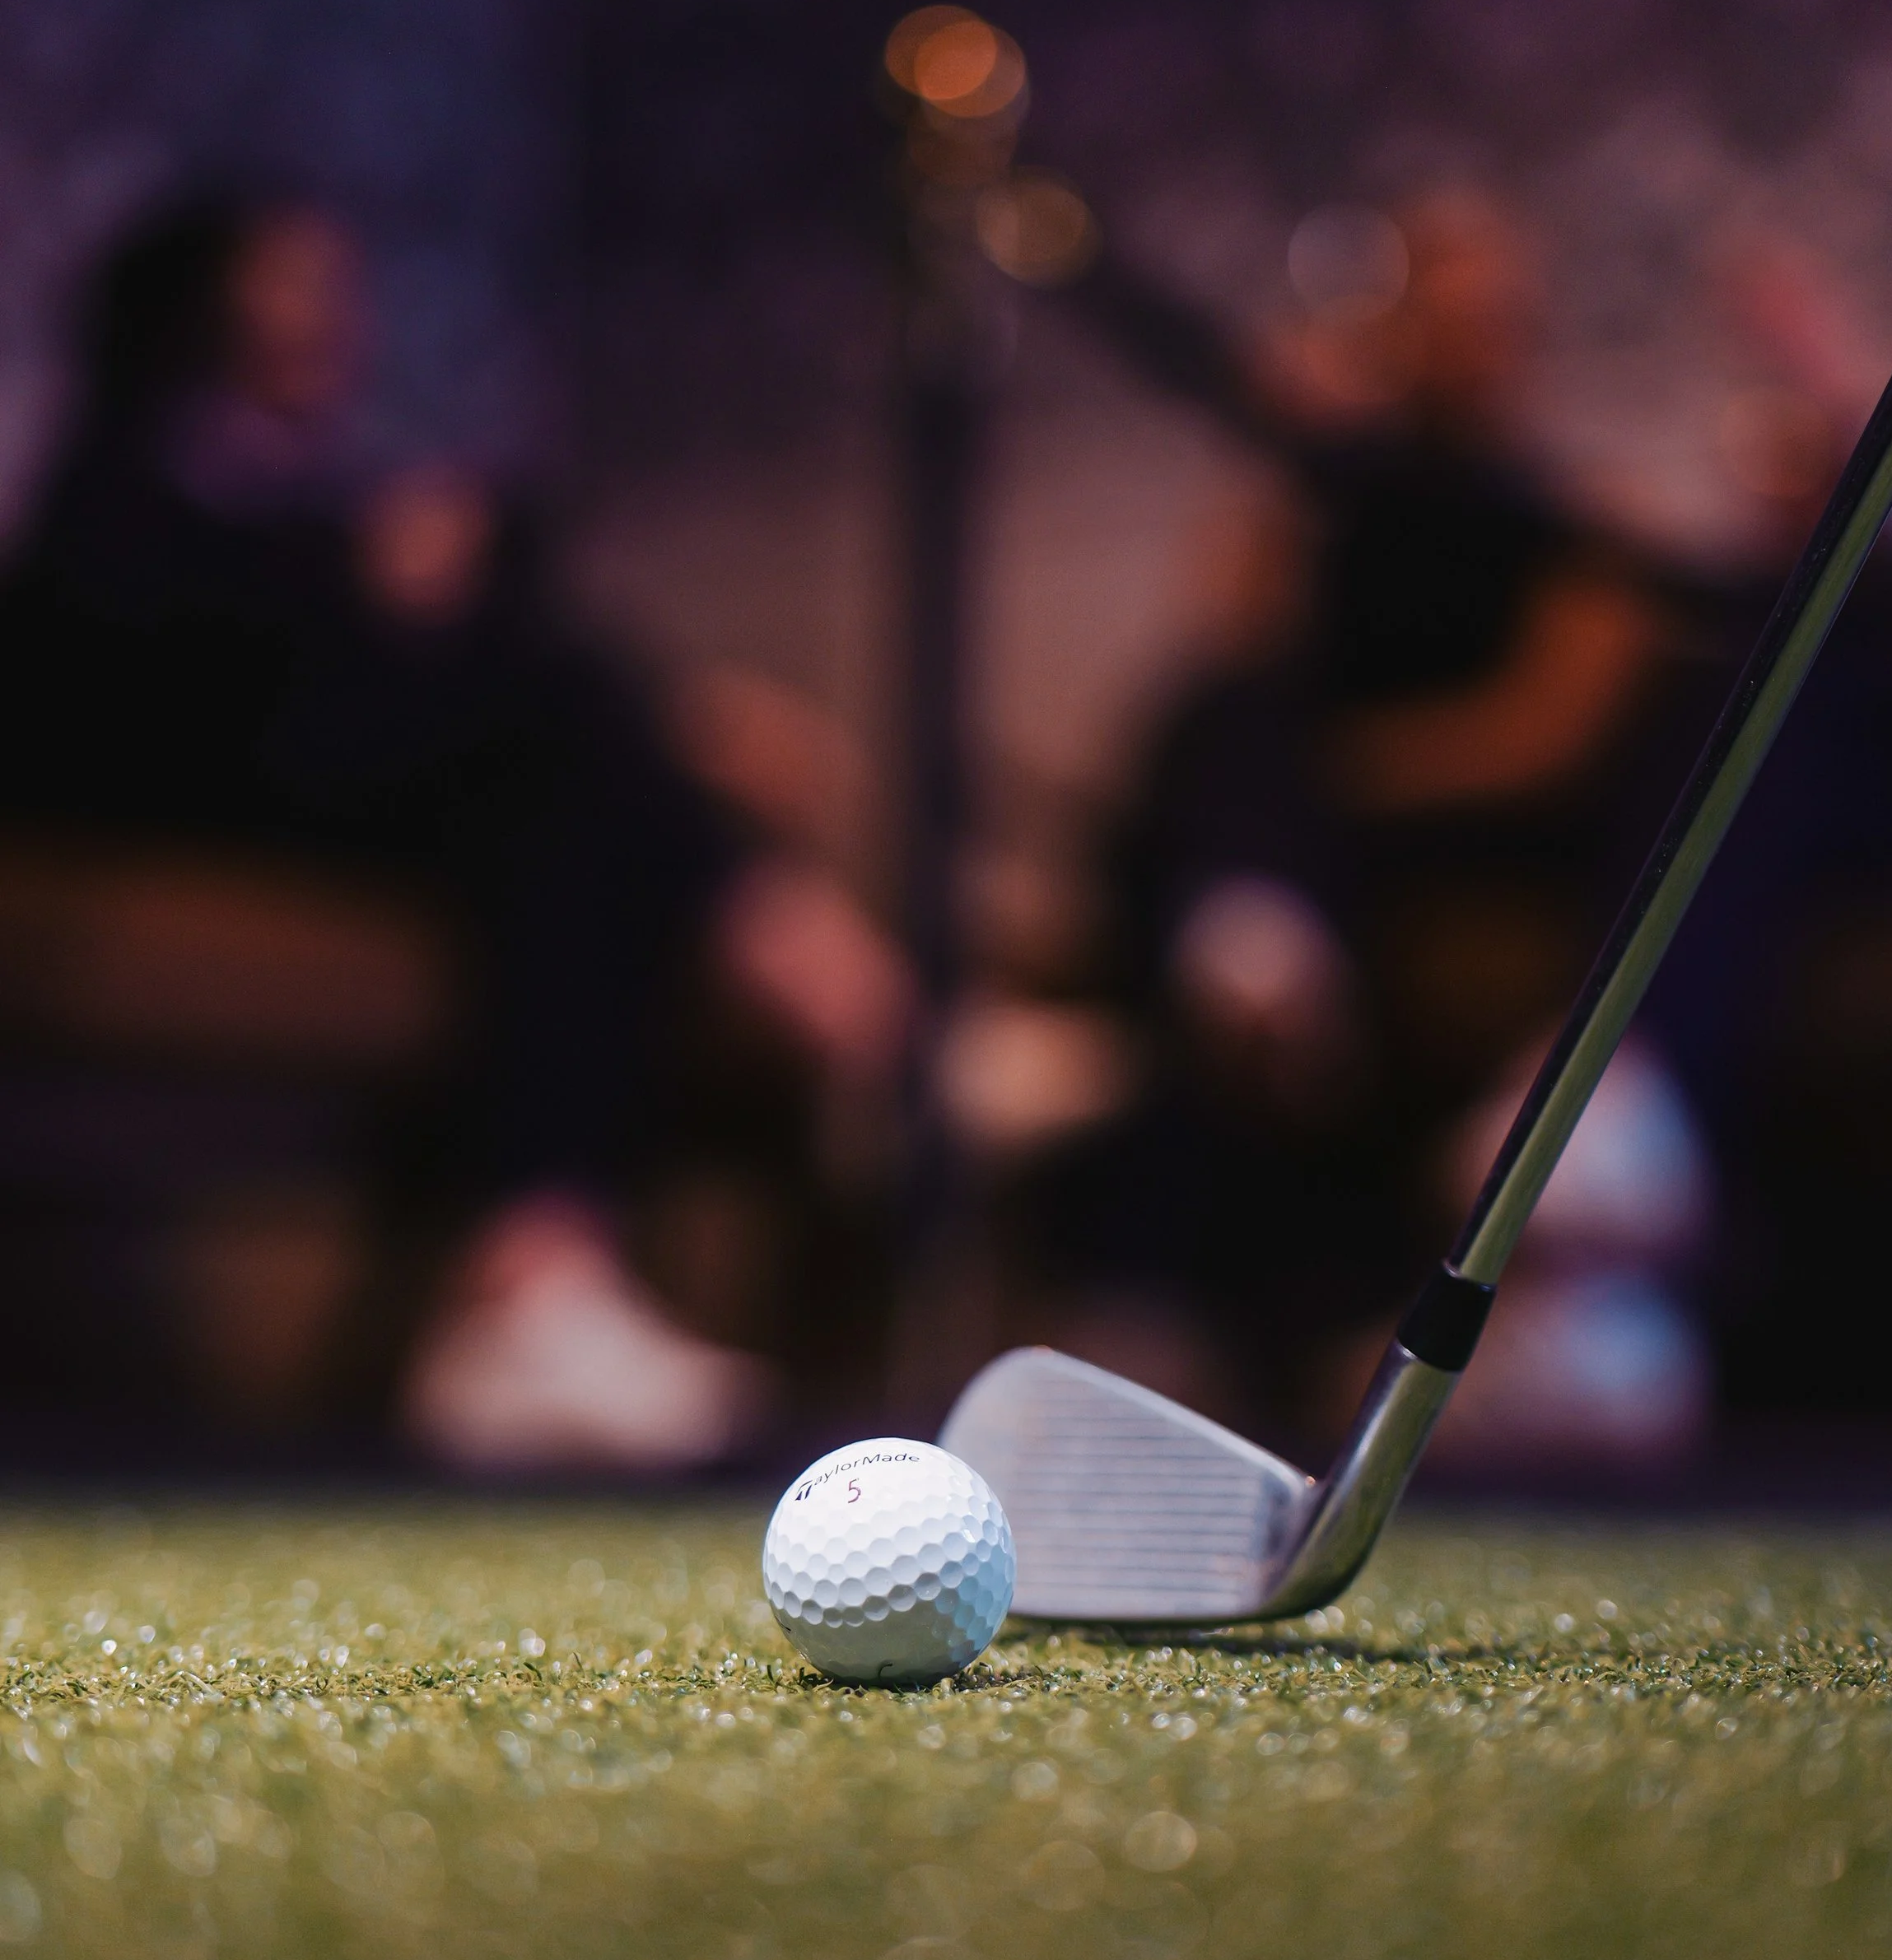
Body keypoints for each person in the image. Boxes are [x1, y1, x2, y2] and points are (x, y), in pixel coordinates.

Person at [0, 192, 911, 1468]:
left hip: (380, 787)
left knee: (563, 793)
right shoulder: (117, 485)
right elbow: (109, 654)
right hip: (198, 780)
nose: (336, 318)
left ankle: (536, 1290)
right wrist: (354, 568)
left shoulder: (306, 490)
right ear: (194, 305)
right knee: (555, 716)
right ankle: (769, 943)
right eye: (293, 283)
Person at [1017, 193, 1688, 1445]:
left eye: (1486, 321)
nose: (1460, 346)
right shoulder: (1336, 496)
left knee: (1251, 810)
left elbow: (1547, 734)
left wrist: (1336, 783)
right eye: (1429, 321)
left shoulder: (1569, 509)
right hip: (1323, 847)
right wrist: (1298, 465)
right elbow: (1232, 652)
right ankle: (1248, 952)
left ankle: (1242, 941)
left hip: (1466, 829)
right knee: (1225, 730)